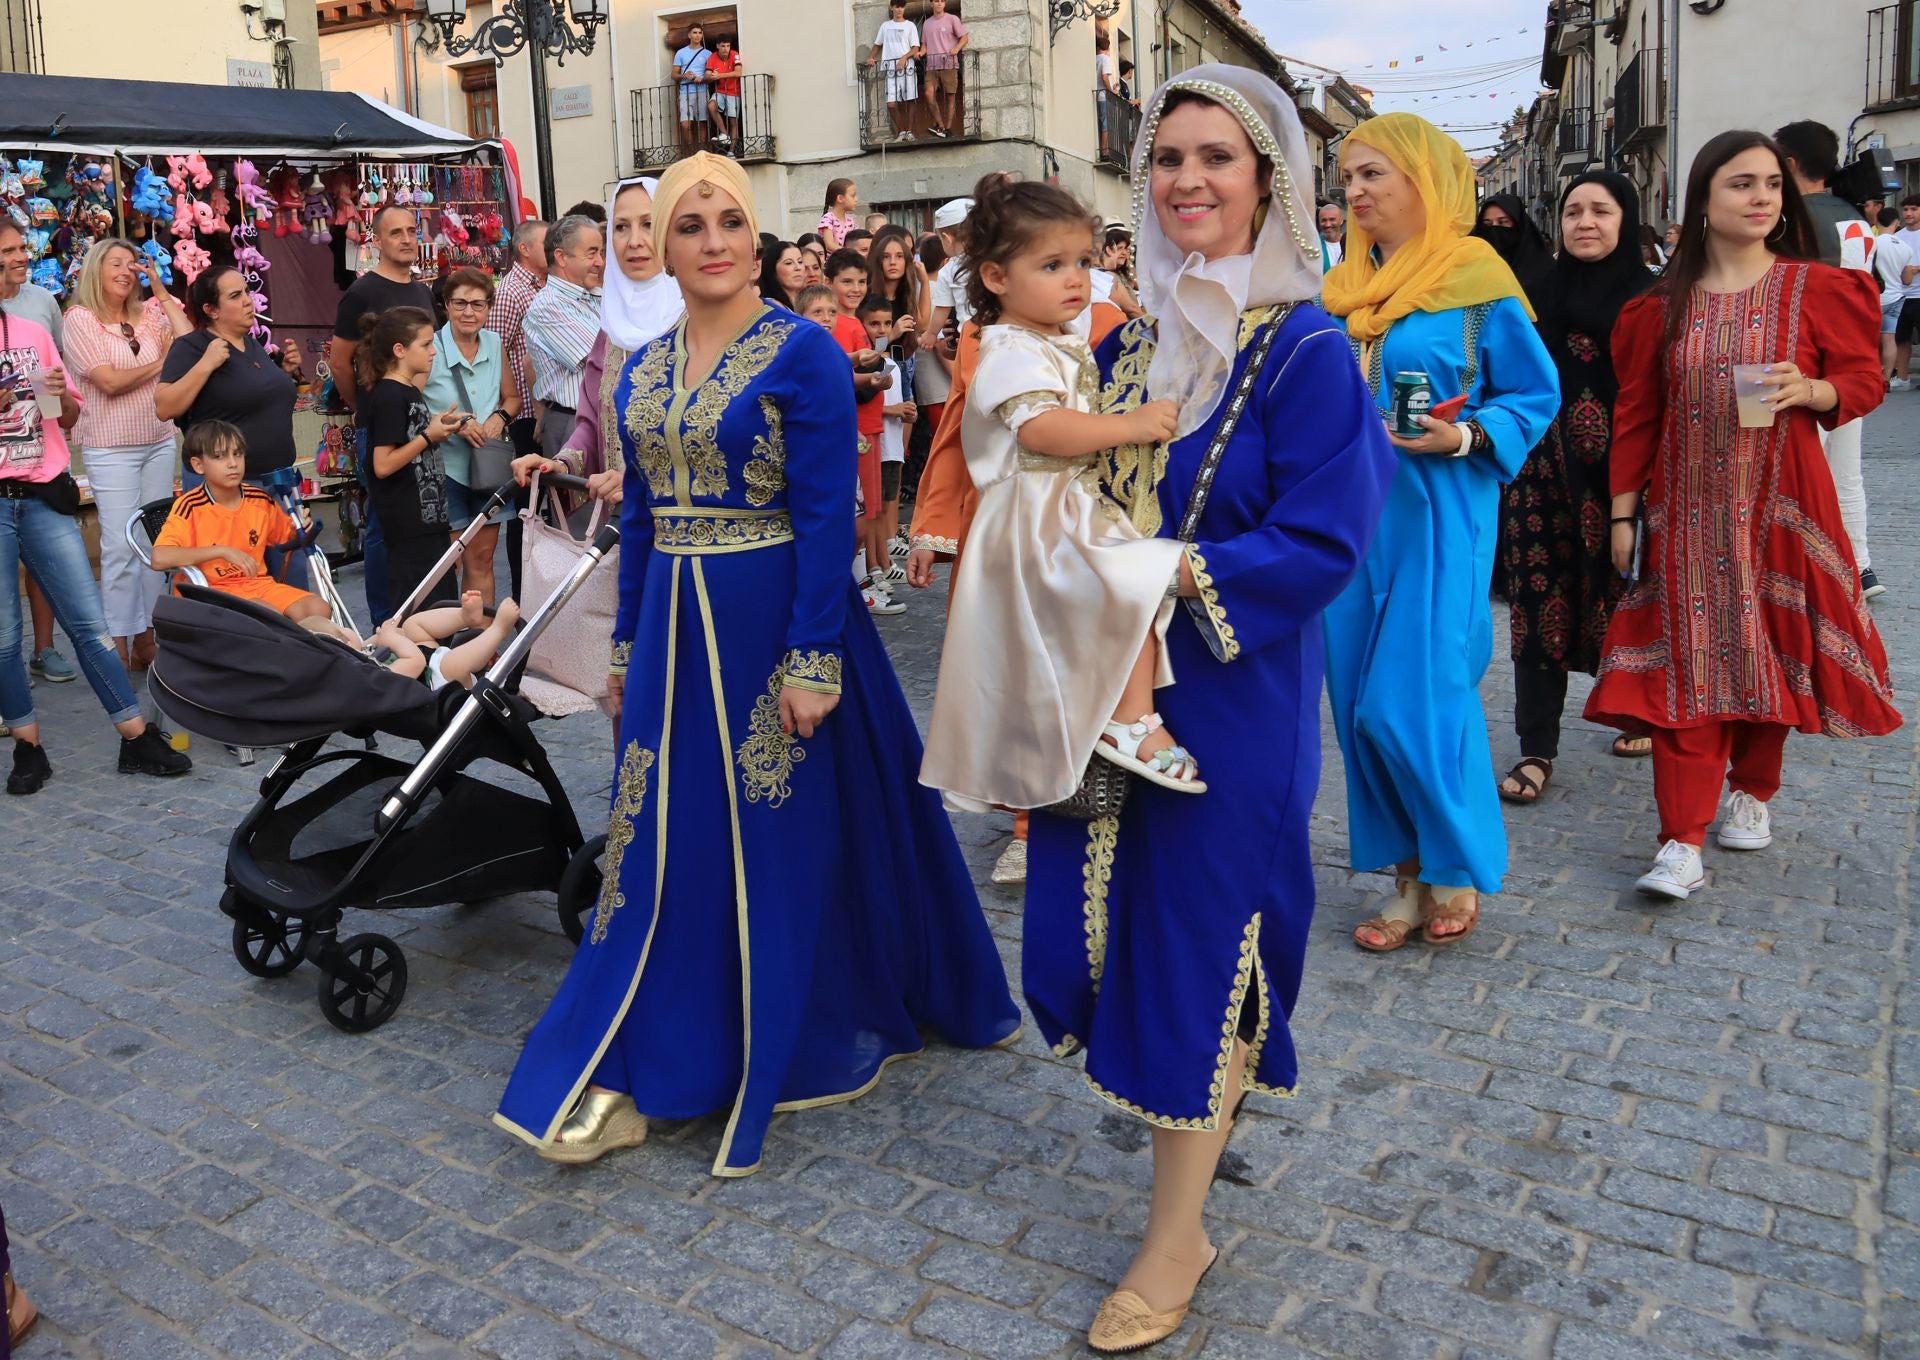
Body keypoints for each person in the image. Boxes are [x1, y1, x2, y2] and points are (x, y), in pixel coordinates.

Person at [492, 151, 1020, 1177]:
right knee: (659, 844)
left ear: (758, 235)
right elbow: (638, 522)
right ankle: (659, 1044)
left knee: (778, 839)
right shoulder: (642, 364)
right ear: (662, 251)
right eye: (689, 228)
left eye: (730, 221)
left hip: (774, 622)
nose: (713, 243)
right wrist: (627, 643)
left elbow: (830, 517)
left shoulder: (802, 351)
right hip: (671, 640)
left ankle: (763, 1027)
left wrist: (814, 655)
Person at [1021, 68, 1394, 1355]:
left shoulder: (1304, 348)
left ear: (1270, 179)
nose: (1187, 179)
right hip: (1108, 687)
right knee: (1097, 931)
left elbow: (1326, 536)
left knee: (1203, 939)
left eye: (1216, 159)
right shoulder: (1124, 343)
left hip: (1233, 694)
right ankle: (1187, 1146)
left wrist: (1179, 570)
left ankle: (1177, 1229)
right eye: (1168, 157)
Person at [1585, 129, 1900, 901]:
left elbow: (1863, 379)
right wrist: (1625, 515)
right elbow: (1636, 417)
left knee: (1772, 648)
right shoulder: (1659, 309)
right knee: (1690, 662)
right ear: (1701, 200)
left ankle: (1753, 789)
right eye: (1740, 184)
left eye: (1769, 185)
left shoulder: (1816, 289)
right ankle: (1680, 840)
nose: (1761, 197)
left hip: (1782, 505)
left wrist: (1816, 391)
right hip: (1686, 511)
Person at [1321, 113, 1559, 953]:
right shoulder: (1343, 288)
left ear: (1425, 183)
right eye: (1349, 178)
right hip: (1350, 521)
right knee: (1357, 703)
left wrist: (1462, 435)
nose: (1355, 193)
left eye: (1374, 175)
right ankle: (1408, 876)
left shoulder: (1476, 278)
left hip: (1440, 512)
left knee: (1411, 698)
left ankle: (1454, 866)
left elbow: (1534, 393)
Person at [921, 171, 1203, 815]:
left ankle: (1114, 716)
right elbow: (1044, 429)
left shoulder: (1056, 338)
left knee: (1128, 595)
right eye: (1052, 264)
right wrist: (1126, 427)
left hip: (1061, 503)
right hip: (1035, 514)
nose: (1076, 278)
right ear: (996, 277)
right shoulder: (1008, 347)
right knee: (1136, 579)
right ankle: (1127, 720)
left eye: (1081, 260)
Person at [1498, 172, 1656, 806]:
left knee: (1628, 595)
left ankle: (1637, 711)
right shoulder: (1534, 295)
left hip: (1624, 476)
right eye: (1572, 212)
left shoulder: (1653, 298)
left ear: (1627, 220)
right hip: (1541, 479)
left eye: (1601, 211)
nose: (1585, 222)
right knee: (1540, 607)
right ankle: (1537, 747)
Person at [1, 298, 191, 795]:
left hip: (43, 493)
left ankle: (134, 736)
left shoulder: (31, 330)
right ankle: (27, 747)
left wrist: (62, 396)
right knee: (4, 635)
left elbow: (64, 418)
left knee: (88, 623)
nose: (16, 261)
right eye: (7, 254)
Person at [63, 236, 194, 672]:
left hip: (156, 438)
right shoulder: (80, 319)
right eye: (114, 263)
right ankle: (116, 640)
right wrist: (162, 363)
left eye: (132, 263)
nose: (125, 270)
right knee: (120, 545)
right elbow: (110, 382)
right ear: (96, 271)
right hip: (110, 446)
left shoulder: (149, 314)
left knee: (153, 542)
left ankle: (148, 637)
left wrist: (159, 288)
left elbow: (188, 338)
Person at [519, 177, 684, 501]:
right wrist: (560, 462)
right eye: (621, 227)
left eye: (649, 224)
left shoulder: (697, 317)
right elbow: (593, 422)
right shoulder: (612, 332)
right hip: (622, 523)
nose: (634, 240)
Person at [1776, 119, 1881, 599]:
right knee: (1846, 470)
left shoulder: (1790, 218)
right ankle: (1860, 565)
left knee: (1803, 467)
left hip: (1804, 358)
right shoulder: (1857, 217)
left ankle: (1809, 563)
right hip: (1851, 354)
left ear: (1791, 163)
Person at [326, 203, 435, 622]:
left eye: (412, 231)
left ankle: (419, 618)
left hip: (417, 421)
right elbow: (340, 363)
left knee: (415, 520)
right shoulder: (362, 293)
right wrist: (364, 408)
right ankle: (383, 622)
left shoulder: (422, 291)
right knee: (381, 525)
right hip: (380, 426)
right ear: (378, 240)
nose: (407, 239)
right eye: (396, 233)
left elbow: (429, 354)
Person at [152, 420, 327, 624]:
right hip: (213, 592)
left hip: (258, 585)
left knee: (318, 609)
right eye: (219, 456)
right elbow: (159, 557)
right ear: (198, 465)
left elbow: (287, 538)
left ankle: (307, 646)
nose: (232, 463)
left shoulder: (259, 499)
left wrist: (302, 525)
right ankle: (302, 646)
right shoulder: (190, 506)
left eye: (237, 454)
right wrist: (222, 551)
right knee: (271, 618)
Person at [424, 267, 521, 604]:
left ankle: (481, 648)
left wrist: (499, 417)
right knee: (445, 565)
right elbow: (409, 407)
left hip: (488, 469)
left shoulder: (494, 343)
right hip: (443, 469)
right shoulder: (430, 347)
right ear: (446, 306)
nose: (469, 312)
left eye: (478, 305)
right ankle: (444, 648)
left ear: (489, 308)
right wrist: (454, 423)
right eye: (461, 303)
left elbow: (513, 398)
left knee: (481, 560)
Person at [0, 219, 70, 688]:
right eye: (11, 249)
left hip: (39, 460)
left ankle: (43, 649)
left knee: (44, 565)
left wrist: (55, 408)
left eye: (24, 246)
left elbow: (54, 381)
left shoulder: (42, 302)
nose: (23, 255)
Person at [359, 306, 466, 610]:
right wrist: (428, 436)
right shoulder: (390, 395)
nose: (434, 352)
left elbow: (409, 434)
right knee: (423, 610)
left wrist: (437, 426)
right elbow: (383, 464)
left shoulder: (406, 391)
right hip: (408, 525)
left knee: (441, 602)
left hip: (427, 520)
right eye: (426, 344)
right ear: (399, 350)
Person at [155, 267, 301, 485]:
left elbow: (253, 395)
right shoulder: (192, 346)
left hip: (277, 479)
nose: (247, 301)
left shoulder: (252, 344)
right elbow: (164, 408)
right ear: (211, 310)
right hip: (226, 485)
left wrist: (284, 373)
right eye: (235, 295)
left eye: (246, 291)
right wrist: (205, 364)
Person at [311, 590, 521, 692]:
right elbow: (413, 662)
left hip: (430, 662)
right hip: (441, 685)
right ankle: (498, 629)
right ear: (343, 646)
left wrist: (383, 636)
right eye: (341, 630)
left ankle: (465, 617)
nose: (346, 628)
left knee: (412, 626)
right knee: (454, 663)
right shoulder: (370, 677)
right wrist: (392, 638)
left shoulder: (359, 656)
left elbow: (379, 645)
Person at [523, 214, 606, 454]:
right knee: (579, 491)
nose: (600, 262)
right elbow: (604, 356)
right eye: (591, 253)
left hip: (595, 420)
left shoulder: (594, 295)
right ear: (561, 257)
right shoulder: (549, 306)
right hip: (574, 422)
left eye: (600, 253)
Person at [1474, 192, 1554, 307]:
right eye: (1487, 224)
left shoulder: (1544, 270)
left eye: (1503, 222)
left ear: (1518, 224)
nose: (1494, 229)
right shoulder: (1474, 267)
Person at [867, 1, 923, 143]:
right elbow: (877, 44)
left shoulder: (910, 26)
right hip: (891, 70)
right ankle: (902, 131)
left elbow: (916, 48)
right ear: (892, 7)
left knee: (910, 99)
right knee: (891, 104)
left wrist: (904, 58)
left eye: (902, 6)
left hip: (907, 68)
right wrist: (871, 58)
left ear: (904, 8)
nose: (899, 9)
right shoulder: (885, 26)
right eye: (897, 6)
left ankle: (909, 132)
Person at [1873, 207, 1914, 387]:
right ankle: (1886, 379)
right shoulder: (1905, 248)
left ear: (1877, 222)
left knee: (1870, 339)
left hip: (1875, 298)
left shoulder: (1873, 244)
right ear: (1897, 223)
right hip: (1896, 297)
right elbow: (1907, 280)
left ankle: (1871, 376)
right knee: (1890, 339)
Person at [920, 0, 968, 139]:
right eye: (936, 1)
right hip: (932, 66)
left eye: (942, 1)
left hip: (949, 64)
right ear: (931, 4)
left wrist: (956, 49)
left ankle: (948, 128)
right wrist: (921, 53)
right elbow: (924, 45)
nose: (939, 3)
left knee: (950, 98)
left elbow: (964, 38)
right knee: (929, 94)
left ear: (945, 4)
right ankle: (940, 125)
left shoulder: (952, 19)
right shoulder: (927, 23)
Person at [1891, 194, 1920, 387]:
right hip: (1901, 295)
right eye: (1906, 209)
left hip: (1919, 295)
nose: (1908, 213)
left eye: (1914, 209)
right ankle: (1902, 378)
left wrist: (1916, 269)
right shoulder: (1897, 237)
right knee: (1901, 339)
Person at [673, 23, 712, 155]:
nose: (697, 35)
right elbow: (674, 75)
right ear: (689, 35)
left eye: (700, 33)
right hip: (685, 91)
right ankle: (690, 152)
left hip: (702, 89)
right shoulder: (680, 52)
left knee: (702, 122)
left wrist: (702, 78)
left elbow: (710, 75)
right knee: (685, 124)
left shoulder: (708, 53)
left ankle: (701, 152)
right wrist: (685, 75)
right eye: (695, 32)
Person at [705, 36, 744, 153]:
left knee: (733, 122)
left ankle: (731, 151)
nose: (725, 49)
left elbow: (738, 72)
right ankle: (724, 134)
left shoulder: (735, 54)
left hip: (734, 92)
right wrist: (710, 76)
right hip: (720, 91)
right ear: (717, 46)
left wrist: (718, 76)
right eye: (722, 46)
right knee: (711, 106)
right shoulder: (712, 57)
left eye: (727, 46)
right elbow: (707, 74)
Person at [757, 240, 806, 311]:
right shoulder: (770, 307)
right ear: (772, 269)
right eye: (789, 263)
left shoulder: (807, 301)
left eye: (800, 262)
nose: (798, 268)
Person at [818, 179, 858, 249]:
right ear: (840, 198)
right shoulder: (828, 219)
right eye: (853, 196)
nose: (856, 199)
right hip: (832, 259)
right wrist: (848, 253)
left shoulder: (850, 220)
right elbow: (829, 245)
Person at [1318, 200, 1346, 268]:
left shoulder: (1349, 243)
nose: (1328, 225)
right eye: (1324, 220)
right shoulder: (1315, 244)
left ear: (1341, 220)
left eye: (1332, 219)